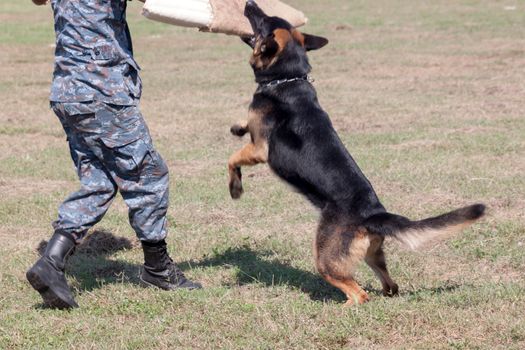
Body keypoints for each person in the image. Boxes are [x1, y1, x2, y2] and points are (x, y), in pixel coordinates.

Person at [26, 0, 201, 309]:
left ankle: (51, 261)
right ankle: (158, 268)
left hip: (68, 91)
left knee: (100, 182)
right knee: (148, 174)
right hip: (101, 88)